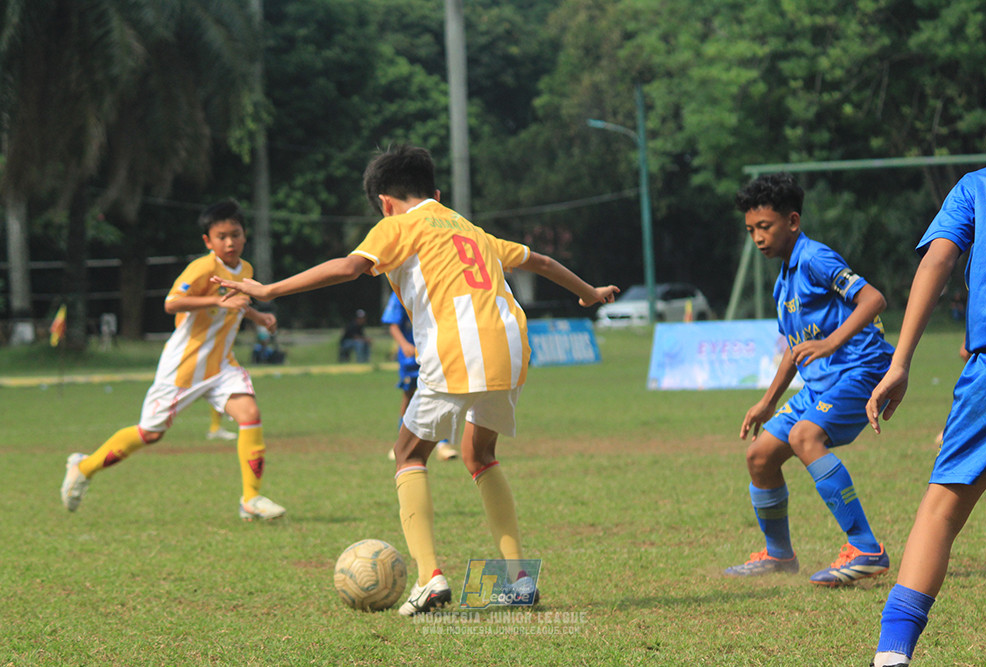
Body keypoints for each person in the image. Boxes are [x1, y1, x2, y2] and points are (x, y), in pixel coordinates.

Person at [211, 145, 618, 616]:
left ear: (384, 202)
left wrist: (268, 289)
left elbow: (349, 267)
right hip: (512, 344)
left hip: (458, 346)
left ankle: (429, 578)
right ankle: (518, 579)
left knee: (408, 454)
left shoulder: (398, 225)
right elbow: (541, 262)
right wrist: (588, 294)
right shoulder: (469, 227)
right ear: (437, 194)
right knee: (479, 454)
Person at [866, 80, 986, 667]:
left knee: (941, 510)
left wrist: (900, 363)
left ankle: (892, 657)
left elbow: (939, 260)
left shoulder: (976, 187)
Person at [60, 199, 286, 522]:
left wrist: (257, 315)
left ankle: (250, 500)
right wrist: (216, 301)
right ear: (208, 241)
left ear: (245, 236)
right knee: (150, 434)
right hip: (184, 366)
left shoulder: (246, 270)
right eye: (221, 236)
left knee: (250, 413)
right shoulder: (203, 269)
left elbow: (235, 302)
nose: (230, 242)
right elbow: (171, 303)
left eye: (235, 234)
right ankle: (82, 467)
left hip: (222, 365)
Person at [725, 172, 895, 586]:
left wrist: (832, 342)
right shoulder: (783, 279)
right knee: (760, 456)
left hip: (861, 369)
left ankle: (866, 548)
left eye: (764, 227)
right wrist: (768, 401)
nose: (758, 238)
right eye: (751, 230)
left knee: (805, 437)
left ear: (793, 221)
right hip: (823, 381)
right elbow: (795, 347)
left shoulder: (816, 258)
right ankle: (779, 555)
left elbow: (873, 299)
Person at [382, 292, 458, 462]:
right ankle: (401, 443)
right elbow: (392, 324)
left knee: (441, 397)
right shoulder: (401, 289)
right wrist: (403, 345)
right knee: (408, 397)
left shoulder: (438, 286)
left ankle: (443, 445)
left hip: (436, 352)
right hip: (411, 356)